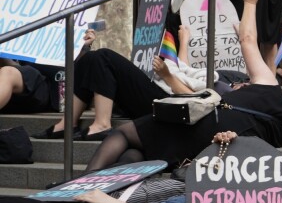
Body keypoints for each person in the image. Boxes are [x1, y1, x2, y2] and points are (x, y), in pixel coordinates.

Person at [83, 0, 282, 172]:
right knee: (136, 152)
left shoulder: (270, 88)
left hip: (195, 124)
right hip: (200, 149)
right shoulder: (277, 131)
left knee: (122, 133)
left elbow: (248, 40)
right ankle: (107, 189)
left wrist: (250, 2)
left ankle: (81, 185)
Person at [38, 26, 208, 141]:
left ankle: (102, 124)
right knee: (89, 58)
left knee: (104, 56)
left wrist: (167, 75)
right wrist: (184, 40)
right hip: (152, 89)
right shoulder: (182, 67)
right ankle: (68, 123)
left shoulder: (210, 78)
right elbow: (183, 67)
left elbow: (191, 99)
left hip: (165, 102)